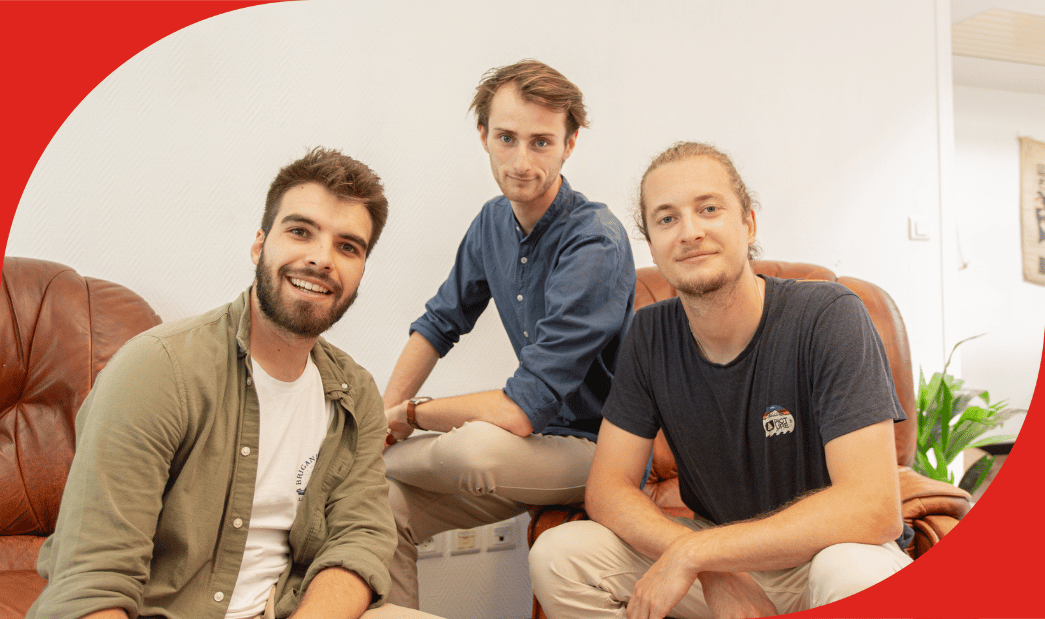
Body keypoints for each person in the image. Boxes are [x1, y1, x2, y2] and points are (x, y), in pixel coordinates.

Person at [29, 148, 441, 619]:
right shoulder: (156, 371)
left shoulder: (355, 394)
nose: (322, 259)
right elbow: (93, 581)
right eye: (300, 231)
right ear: (259, 245)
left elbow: (359, 538)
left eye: (348, 247)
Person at [529, 142, 914, 619]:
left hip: (825, 554)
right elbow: (609, 488)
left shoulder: (830, 315)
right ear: (652, 244)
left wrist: (698, 554)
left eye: (709, 209)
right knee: (560, 556)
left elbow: (873, 506)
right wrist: (712, 568)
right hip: (721, 560)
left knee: (852, 572)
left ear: (748, 223)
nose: (690, 232)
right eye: (667, 218)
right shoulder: (649, 334)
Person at [381, 59, 635, 608]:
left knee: (473, 446)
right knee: (381, 503)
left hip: (600, 451)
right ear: (484, 137)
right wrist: (384, 415)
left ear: (569, 145)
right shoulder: (491, 222)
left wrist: (408, 417)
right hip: (529, 447)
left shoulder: (595, 241)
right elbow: (439, 323)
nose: (521, 162)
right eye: (507, 139)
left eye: (541, 142)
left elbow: (520, 410)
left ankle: (360, 460)